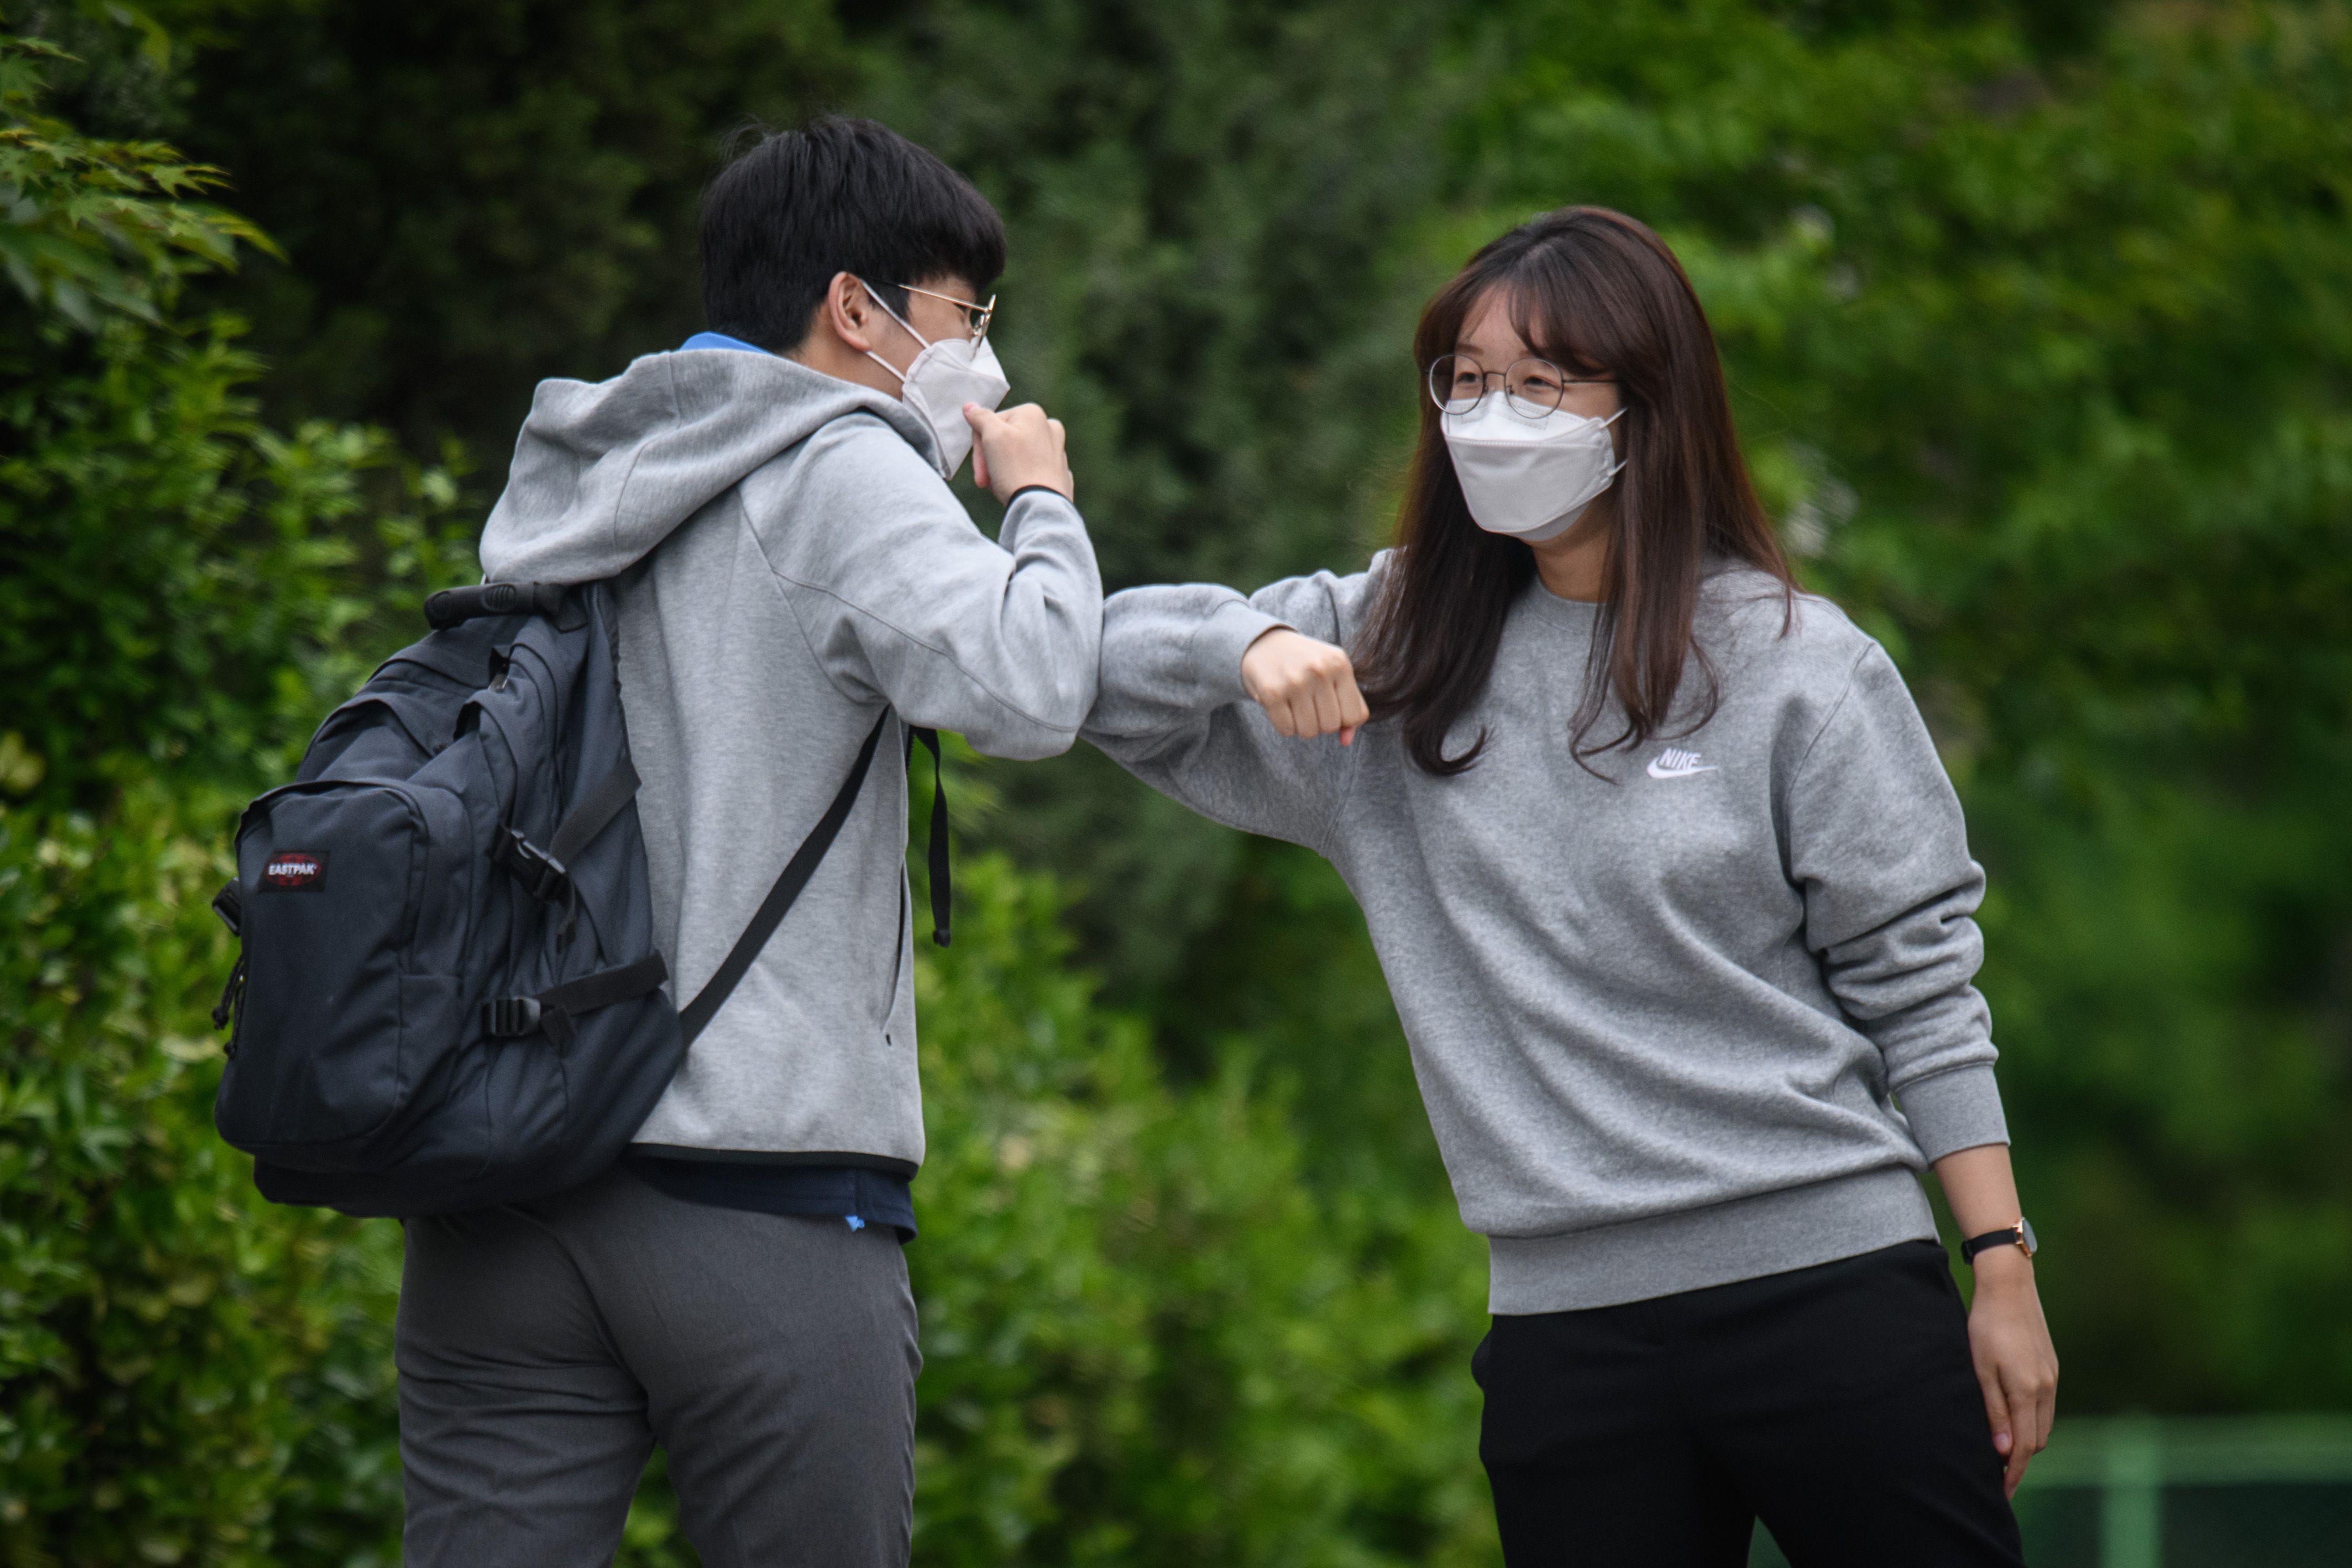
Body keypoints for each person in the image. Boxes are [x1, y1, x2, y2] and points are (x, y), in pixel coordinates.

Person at [1084, 207, 2058, 1566]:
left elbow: (1920, 983)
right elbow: (1082, 668)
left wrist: (1998, 1262)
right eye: (1465, 381)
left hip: (1827, 1288)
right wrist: (1237, 635)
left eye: (1541, 384)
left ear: (1643, 406)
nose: (1492, 418)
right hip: (1564, 1337)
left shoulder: (1799, 666)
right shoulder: (1393, 648)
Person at [396, 119, 1100, 1567]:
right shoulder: (839, 467)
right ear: (859, 308)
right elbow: (1028, 687)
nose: (982, 363)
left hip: (507, 1187)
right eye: (969, 319)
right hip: (762, 1190)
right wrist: (1037, 498)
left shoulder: (569, 479)